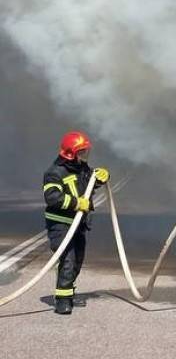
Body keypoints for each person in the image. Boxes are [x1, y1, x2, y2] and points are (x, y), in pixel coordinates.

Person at [42, 131, 111, 315]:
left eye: (85, 152)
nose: (85, 156)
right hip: (61, 225)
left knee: (77, 259)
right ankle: (62, 301)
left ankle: (68, 294)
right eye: (81, 152)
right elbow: (52, 197)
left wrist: (103, 176)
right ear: (70, 154)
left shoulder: (82, 168)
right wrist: (76, 203)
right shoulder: (54, 173)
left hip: (78, 223)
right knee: (68, 260)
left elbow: (89, 183)